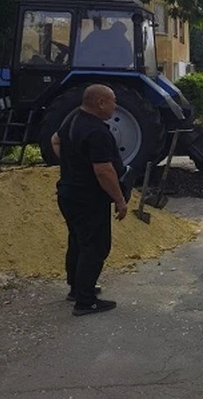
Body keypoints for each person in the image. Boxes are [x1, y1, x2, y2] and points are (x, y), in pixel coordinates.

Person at [50, 84, 129, 316]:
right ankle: (85, 302)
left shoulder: (72, 119)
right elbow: (104, 171)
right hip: (88, 198)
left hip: (68, 194)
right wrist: (120, 200)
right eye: (113, 101)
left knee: (78, 241)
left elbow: (55, 141)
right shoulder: (97, 132)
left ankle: (76, 289)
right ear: (101, 103)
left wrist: (73, 163)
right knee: (95, 247)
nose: (115, 106)